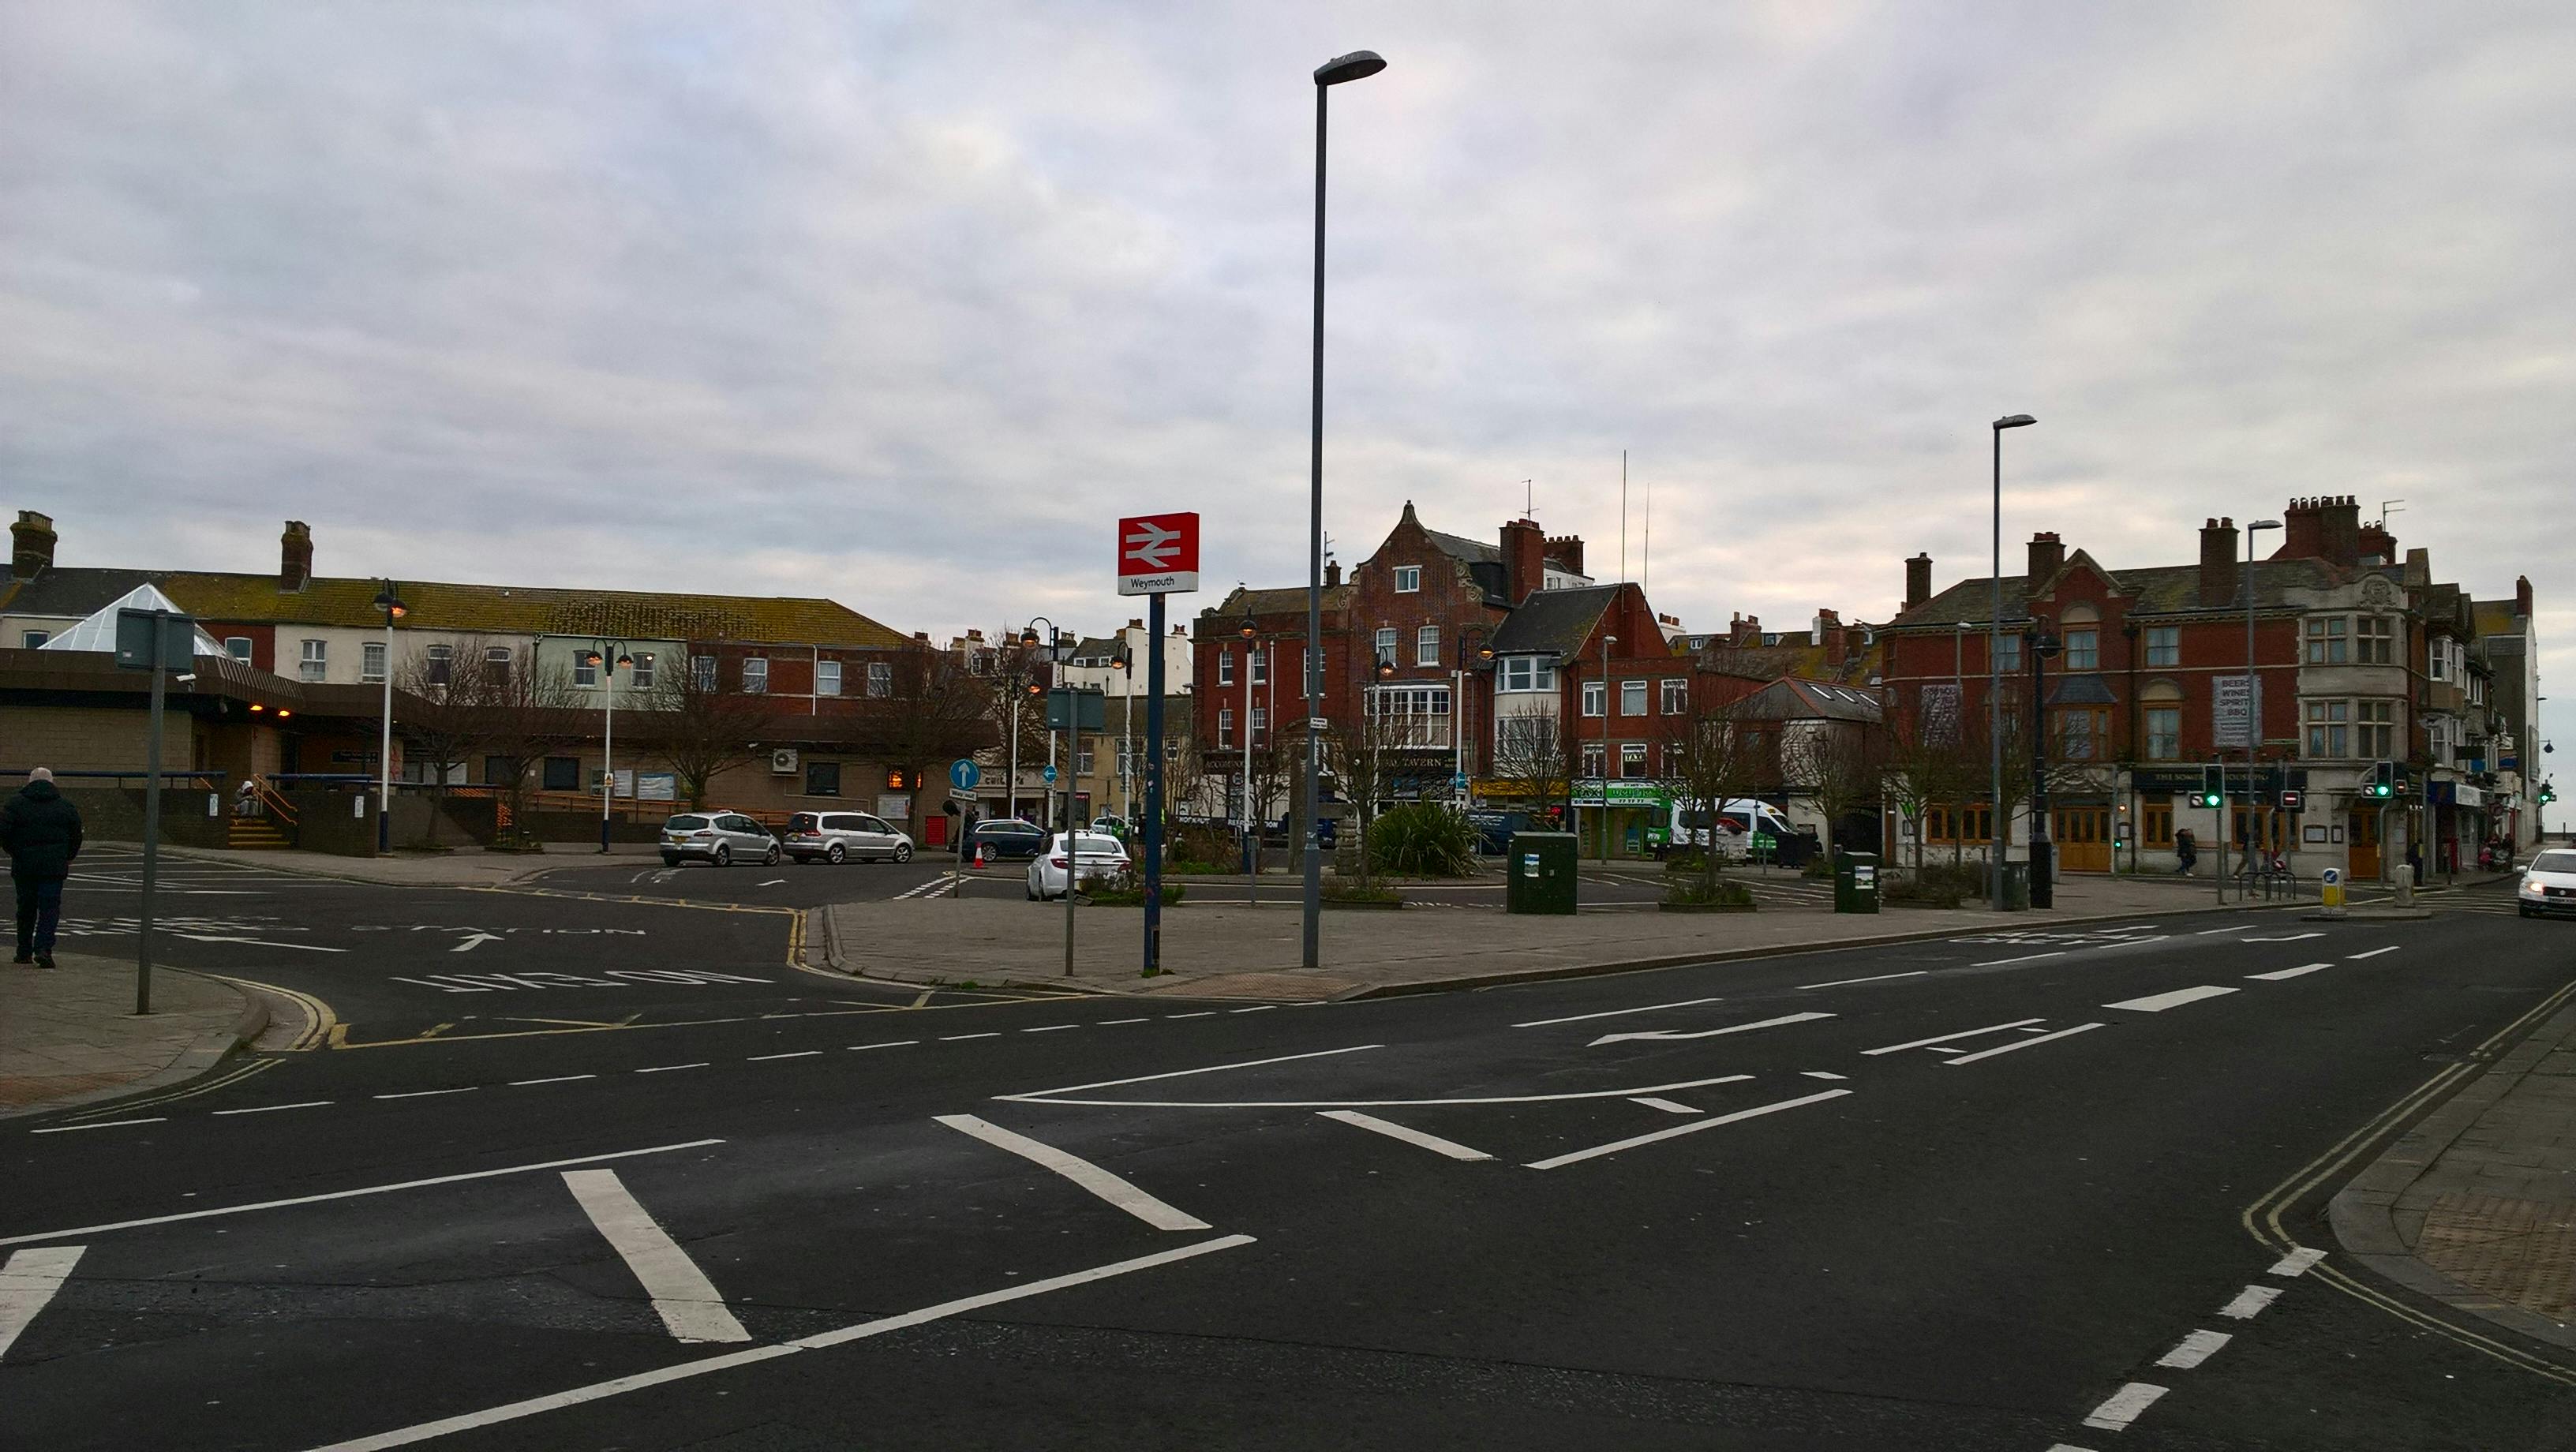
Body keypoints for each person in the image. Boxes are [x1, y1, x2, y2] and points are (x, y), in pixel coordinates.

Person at [2, 767, 84, 969]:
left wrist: (14, 852)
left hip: (25, 865)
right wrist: (68, 856)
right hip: (53, 866)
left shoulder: (15, 804)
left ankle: (23, 952)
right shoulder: (65, 806)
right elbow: (76, 835)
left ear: (29, 782)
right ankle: (44, 948)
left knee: (26, 908)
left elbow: (3, 832)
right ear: (52, 782)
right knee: (49, 908)